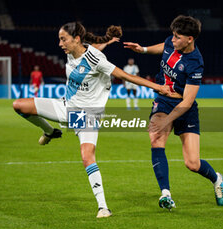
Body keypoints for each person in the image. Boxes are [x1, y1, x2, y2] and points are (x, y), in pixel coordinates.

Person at [13, 22, 170, 218]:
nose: (60, 43)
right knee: (19, 105)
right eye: (59, 39)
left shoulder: (96, 60)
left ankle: (103, 207)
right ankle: (50, 132)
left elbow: (125, 75)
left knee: (87, 156)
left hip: (86, 115)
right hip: (66, 106)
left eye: (63, 39)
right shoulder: (73, 51)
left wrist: (158, 88)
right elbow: (92, 47)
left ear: (76, 39)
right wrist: (108, 40)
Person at [124, 15, 223, 210]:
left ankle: (217, 179)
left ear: (190, 39)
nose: (172, 39)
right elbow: (163, 47)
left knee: (192, 163)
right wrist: (143, 49)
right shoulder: (172, 42)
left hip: (183, 107)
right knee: (156, 138)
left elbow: (187, 101)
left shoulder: (195, 63)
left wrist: (168, 121)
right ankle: (166, 194)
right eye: (172, 35)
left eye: (177, 37)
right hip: (163, 100)